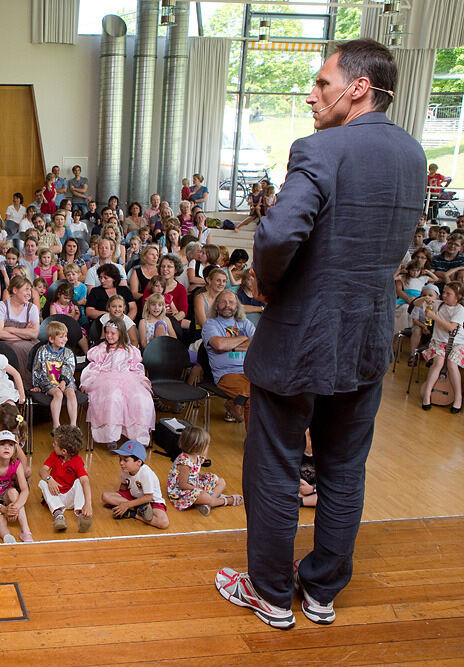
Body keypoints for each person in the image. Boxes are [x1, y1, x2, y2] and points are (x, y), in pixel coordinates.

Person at [215, 40, 427, 631]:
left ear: (359, 87)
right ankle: (323, 592)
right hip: (368, 337)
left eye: (322, 82)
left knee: (276, 466)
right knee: (343, 469)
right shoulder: (413, 154)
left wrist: (272, 288)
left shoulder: (321, 148)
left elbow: (279, 236)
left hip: (301, 335)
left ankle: (271, 594)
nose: (311, 93)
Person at [80, 320, 154, 448]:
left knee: (141, 398)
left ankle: (138, 437)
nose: (109, 336)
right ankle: (110, 436)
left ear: (121, 334)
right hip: (105, 379)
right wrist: (87, 381)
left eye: (113, 333)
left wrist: (143, 380)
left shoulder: (130, 350)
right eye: (107, 332)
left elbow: (135, 367)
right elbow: (95, 367)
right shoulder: (101, 349)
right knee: (113, 397)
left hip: (129, 378)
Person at [202, 291, 256, 425]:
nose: (227, 305)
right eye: (223, 302)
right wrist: (243, 338)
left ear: (237, 306)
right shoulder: (210, 324)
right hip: (227, 374)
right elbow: (219, 345)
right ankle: (253, 444)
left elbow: (258, 344)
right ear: (216, 306)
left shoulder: (245, 323)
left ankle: (235, 402)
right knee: (253, 399)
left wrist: (230, 345)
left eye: (231, 302)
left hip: (250, 372)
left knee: (270, 390)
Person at [168, 426, 241, 516]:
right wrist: (198, 489)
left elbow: (194, 473)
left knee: (221, 482)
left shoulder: (197, 456)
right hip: (182, 491)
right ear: (197, 447)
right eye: (206, 446)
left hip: (194, 483)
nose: (208, 447)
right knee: (206, 497)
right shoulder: (185, 463)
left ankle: (208, 503)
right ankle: (225, 501)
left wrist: (202, 477)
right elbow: (182, 485)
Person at [100, 440, 169, 529]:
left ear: (139, 462)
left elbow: (149, 497)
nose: (121, 463)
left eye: (125, 460)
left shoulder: (145, 473)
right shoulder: (125, 470)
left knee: (163, 523)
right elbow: (124, 486)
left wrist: (126, 505)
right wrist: (119, 498)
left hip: (151, 501)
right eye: (120, 459)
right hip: (134, 496)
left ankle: (133, 514)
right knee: (105, 496)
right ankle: (139, 509)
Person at [419, 281, 464, 411]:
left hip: (457, 343)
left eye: (448, 294)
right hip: (438, 342)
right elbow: (415, 304)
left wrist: (434, 317)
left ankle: (458, 398)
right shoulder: (438, 305)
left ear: (458, 296)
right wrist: (424, 298)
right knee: (438, 362)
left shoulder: (460, 310)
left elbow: (451, 327)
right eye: (443, 292)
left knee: (451, 363)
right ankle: (427, 394)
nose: (444, 295)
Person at [37, 425, 92, 533]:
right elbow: (42, 470)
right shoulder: (54, 455)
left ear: (64, 451)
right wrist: (50, 479)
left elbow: (85, 481)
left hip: (70, 498)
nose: (53, 445)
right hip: (55, 495)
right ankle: (58, 515)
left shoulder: (77, 461)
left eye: (55, 444)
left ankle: (82, 515)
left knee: (79, 482)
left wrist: (88, 504)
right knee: (42, 482)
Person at [31, 321, 77, 432]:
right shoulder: (42, 351)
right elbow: (37, 368)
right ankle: (56, 425)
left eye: (65, 336)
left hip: (65, 381)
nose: (65, 339)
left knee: (71, 393)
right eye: (61, 337)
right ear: (51, 339)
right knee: (58, 394)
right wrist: (37, 385)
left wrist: (63, 382)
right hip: (48, 381)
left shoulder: (68, 352)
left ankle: (73, 425)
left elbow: (69, 368)